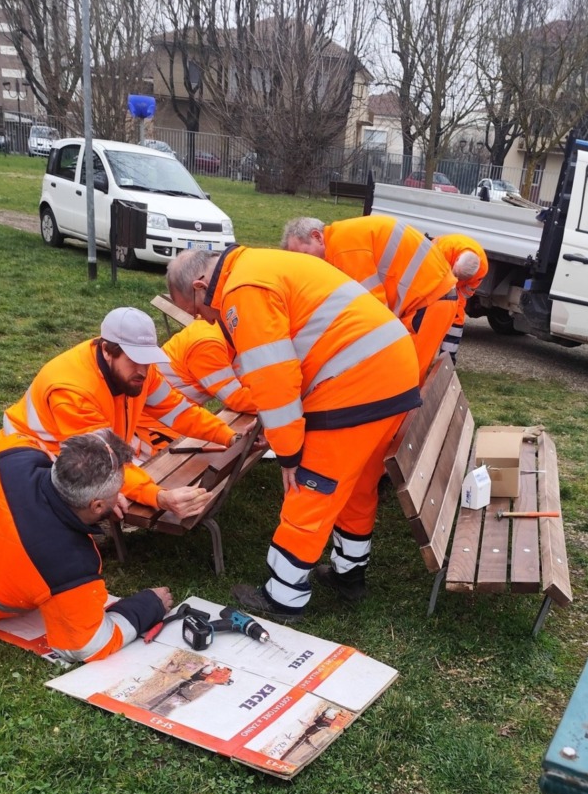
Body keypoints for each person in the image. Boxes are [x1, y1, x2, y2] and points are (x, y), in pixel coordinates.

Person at [166, 245, 422, 615]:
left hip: (355, 383)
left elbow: (275, 380)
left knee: (310, 487)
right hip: (389, 376)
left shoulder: (242, 291)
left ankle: (284, 595)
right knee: (358, 484)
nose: (206, 320)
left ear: (201, 285)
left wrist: (289, 453)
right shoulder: (259, 263)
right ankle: (349, 575)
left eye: (198, 312)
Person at [0, 308, 247, 518]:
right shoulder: (72, 390)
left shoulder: (140, 371)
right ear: (108, 350)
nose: (143, 371)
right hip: (34, 453)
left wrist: (229, 436)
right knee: (48, 513)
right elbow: (100, 460)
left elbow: (178, 411)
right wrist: (159, 496)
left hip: (85, 444)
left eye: (147, 359)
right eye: (134, 359)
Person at [0, 430, 173, 662]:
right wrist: (145, 607)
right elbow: (84, 646)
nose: (121, 494)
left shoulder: (15, 453)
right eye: (118, 490)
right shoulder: (68, 563)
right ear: (97, 506)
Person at [280, 215, 457, 383]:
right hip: (432, 300)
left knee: (403, 380)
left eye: (304, 254)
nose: (305, 264)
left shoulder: (343, 248)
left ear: (317, 236)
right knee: (404, 375)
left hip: (429, 302)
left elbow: (373, 310)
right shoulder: (346, 236)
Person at [160, 318, 255, 416]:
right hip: (164, 417)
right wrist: (271, 400)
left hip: (175, 412)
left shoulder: (220, 328)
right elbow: (236, 399)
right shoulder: (208, 346)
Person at [432, 234, 489, 363]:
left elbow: (463, 296)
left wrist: (454, 309)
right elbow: (429, 282)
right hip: (436, 274)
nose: (457, 279)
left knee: (457, 316)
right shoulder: (442, 251)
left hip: (451, 281)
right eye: (456, 275)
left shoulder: (481, 270)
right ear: (456, 260)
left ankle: (448, 359)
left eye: (461, 278)